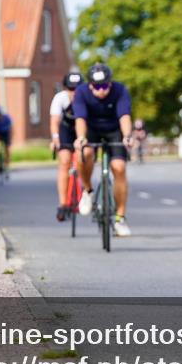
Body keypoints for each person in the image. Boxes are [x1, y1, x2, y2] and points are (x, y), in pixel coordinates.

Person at [72, 63, 134, 236]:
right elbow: (80, 119)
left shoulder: (120, 90)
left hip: (114, 130)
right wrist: (81, 138)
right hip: (91, 129)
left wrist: (127, 135)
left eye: (104, 86)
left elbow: (124, 116)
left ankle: (120, 218)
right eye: (97, 86)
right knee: (84, 153)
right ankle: (87, 190)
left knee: (119, 168)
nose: (101, 90)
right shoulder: (81, 92)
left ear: (110, 83)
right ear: (90, 85)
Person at [50, 71, 83, 221]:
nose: (74, 92)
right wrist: (55, 139)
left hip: (82, 130)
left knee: (84, 158)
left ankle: (83, 193)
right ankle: (63, 203)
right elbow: (54, 121)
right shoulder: (60, 98)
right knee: (64, 161)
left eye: (77, 89)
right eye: (71, 89)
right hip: (65, 130)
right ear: (65, 89)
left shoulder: (86, 99)